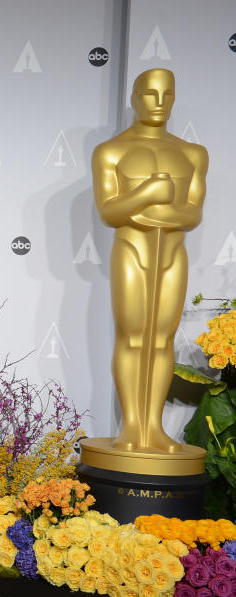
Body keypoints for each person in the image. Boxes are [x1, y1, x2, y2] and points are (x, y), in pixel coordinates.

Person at [91, 68, 208, 452]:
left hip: (172, 253)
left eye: (166, 95)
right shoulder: (112, 151)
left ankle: (153, 427)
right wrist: (149, 192)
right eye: (150, 94)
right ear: (134, 98)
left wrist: (145, 213)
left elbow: (191, 215)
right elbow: (110, 212)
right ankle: (131, 427)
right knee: (132, 335)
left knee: (162, 339)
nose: (158, 103)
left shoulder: (192, 154)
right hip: (132, 251)